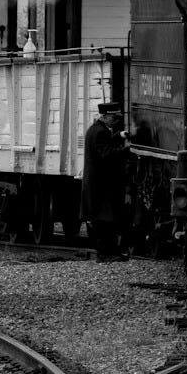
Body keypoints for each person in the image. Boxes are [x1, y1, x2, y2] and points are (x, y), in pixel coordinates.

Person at [81, 102, 129, 260]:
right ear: (106, 116)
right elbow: (106, 154)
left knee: (104, 219)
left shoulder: (96, 130)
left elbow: (104, 145)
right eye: (114, 118)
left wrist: (119, 136)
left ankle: (109, 252)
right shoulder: (100, 132)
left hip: (97, 183)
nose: (115, 121)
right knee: (104, 220)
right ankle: (106, 254)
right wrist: (126, 151)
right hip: (100, 184)